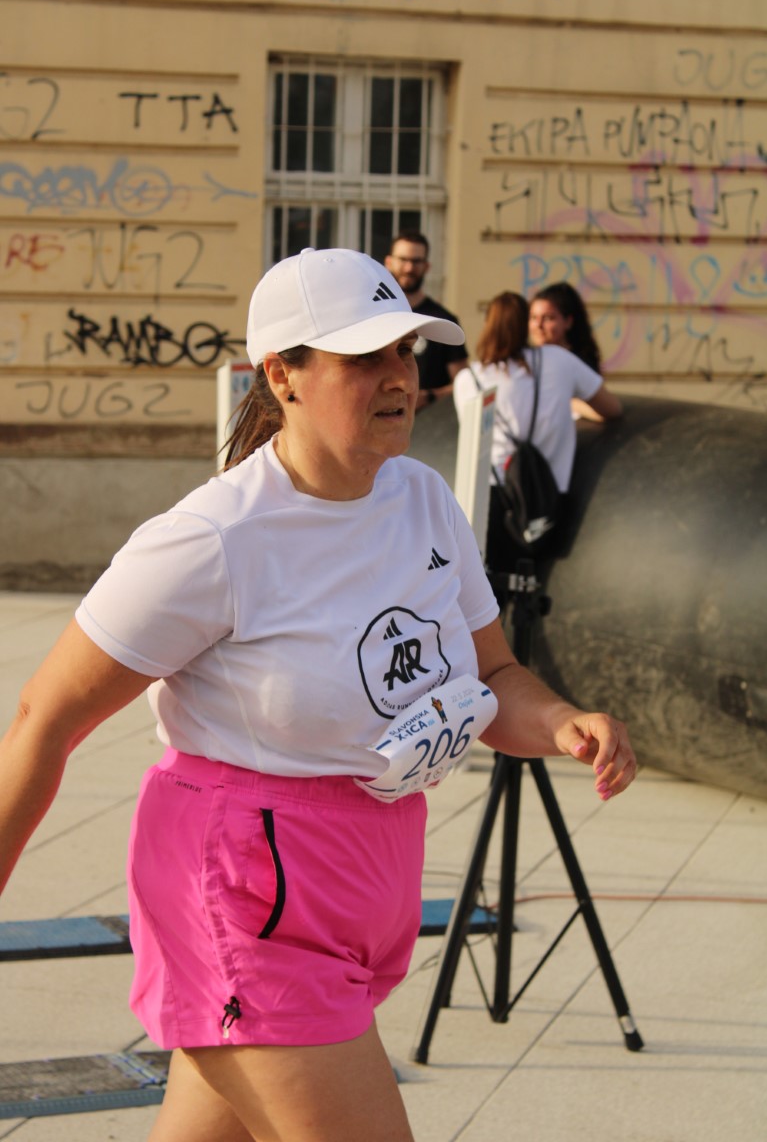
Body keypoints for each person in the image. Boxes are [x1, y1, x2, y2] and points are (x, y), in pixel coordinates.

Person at [0, 250, 637, 1142]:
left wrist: (565, 721)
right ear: (281, 375)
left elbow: (493, 677)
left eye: (406, 351)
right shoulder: (214, 537)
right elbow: (45, 717)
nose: (399, 377)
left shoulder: (424, 501)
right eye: (365, 357)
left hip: (367, 885)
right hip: (246, 895)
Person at [454, 290, 622, 571]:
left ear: (487, 325)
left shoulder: (468, 379)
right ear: (526, 325)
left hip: (489, 500)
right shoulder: (559, 361)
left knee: (487, 588)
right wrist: (570, 403)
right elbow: (612, 408)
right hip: (549, 498)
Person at [385, 230, 468, 410]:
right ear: (388, 262)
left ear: (426, 266)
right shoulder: (376, 317)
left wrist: (430, 396)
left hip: (431, 424)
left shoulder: (443, 320)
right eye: (403, 260)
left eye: (416, 261)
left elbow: (464, 384)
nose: (409, 268)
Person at [528, 281, 607, 422]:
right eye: (533, 317)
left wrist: (565, 401)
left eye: (548, 318)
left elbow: (605, 410)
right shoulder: (525, 360)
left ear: (568, 322)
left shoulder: (577, 362)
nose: (538, 325)